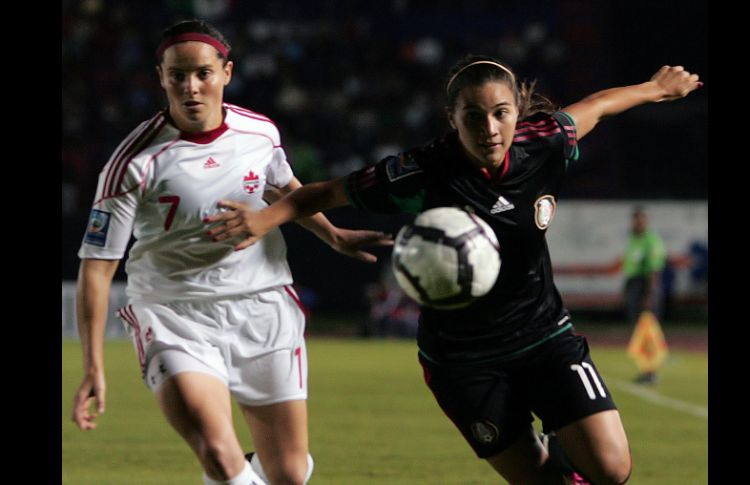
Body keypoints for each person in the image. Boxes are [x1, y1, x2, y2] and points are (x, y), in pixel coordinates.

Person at [205, 54, 702, 484]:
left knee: (612, 469)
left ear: (518, 111)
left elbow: (596, 106)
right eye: (473, 116)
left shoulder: (544, 142)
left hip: (544, 335)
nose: (489, 129)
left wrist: (655, 89)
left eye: (501, 113)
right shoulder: (424, 171)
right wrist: (271, 220)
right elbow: (325, 192)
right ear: (452, 118)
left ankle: (565, 435)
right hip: (463, 361)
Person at [70, 19, 391, 485]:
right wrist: (93, 366)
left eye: (203, 73)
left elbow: (284, 188)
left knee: (290, 473)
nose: (190, 86)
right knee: (221, 458)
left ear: (226, 72)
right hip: (174, 314)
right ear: (161, 78)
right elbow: (97, 270)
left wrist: (333, 235)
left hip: (262, 307)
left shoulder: (259, 133)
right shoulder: (132, 163)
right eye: (177, 75)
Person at [622, 207, 668, 384]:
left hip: (645, 287)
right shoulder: (634, 239)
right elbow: (630, 267)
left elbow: (654, 270)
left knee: (648, 331)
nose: (637, 224)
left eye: (640, 220)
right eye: (635, 220)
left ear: (646, 221)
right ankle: (645, 369)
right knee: (639, 330)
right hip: (635, 285)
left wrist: (649, 295)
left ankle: (651, 371)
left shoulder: (651, 241)